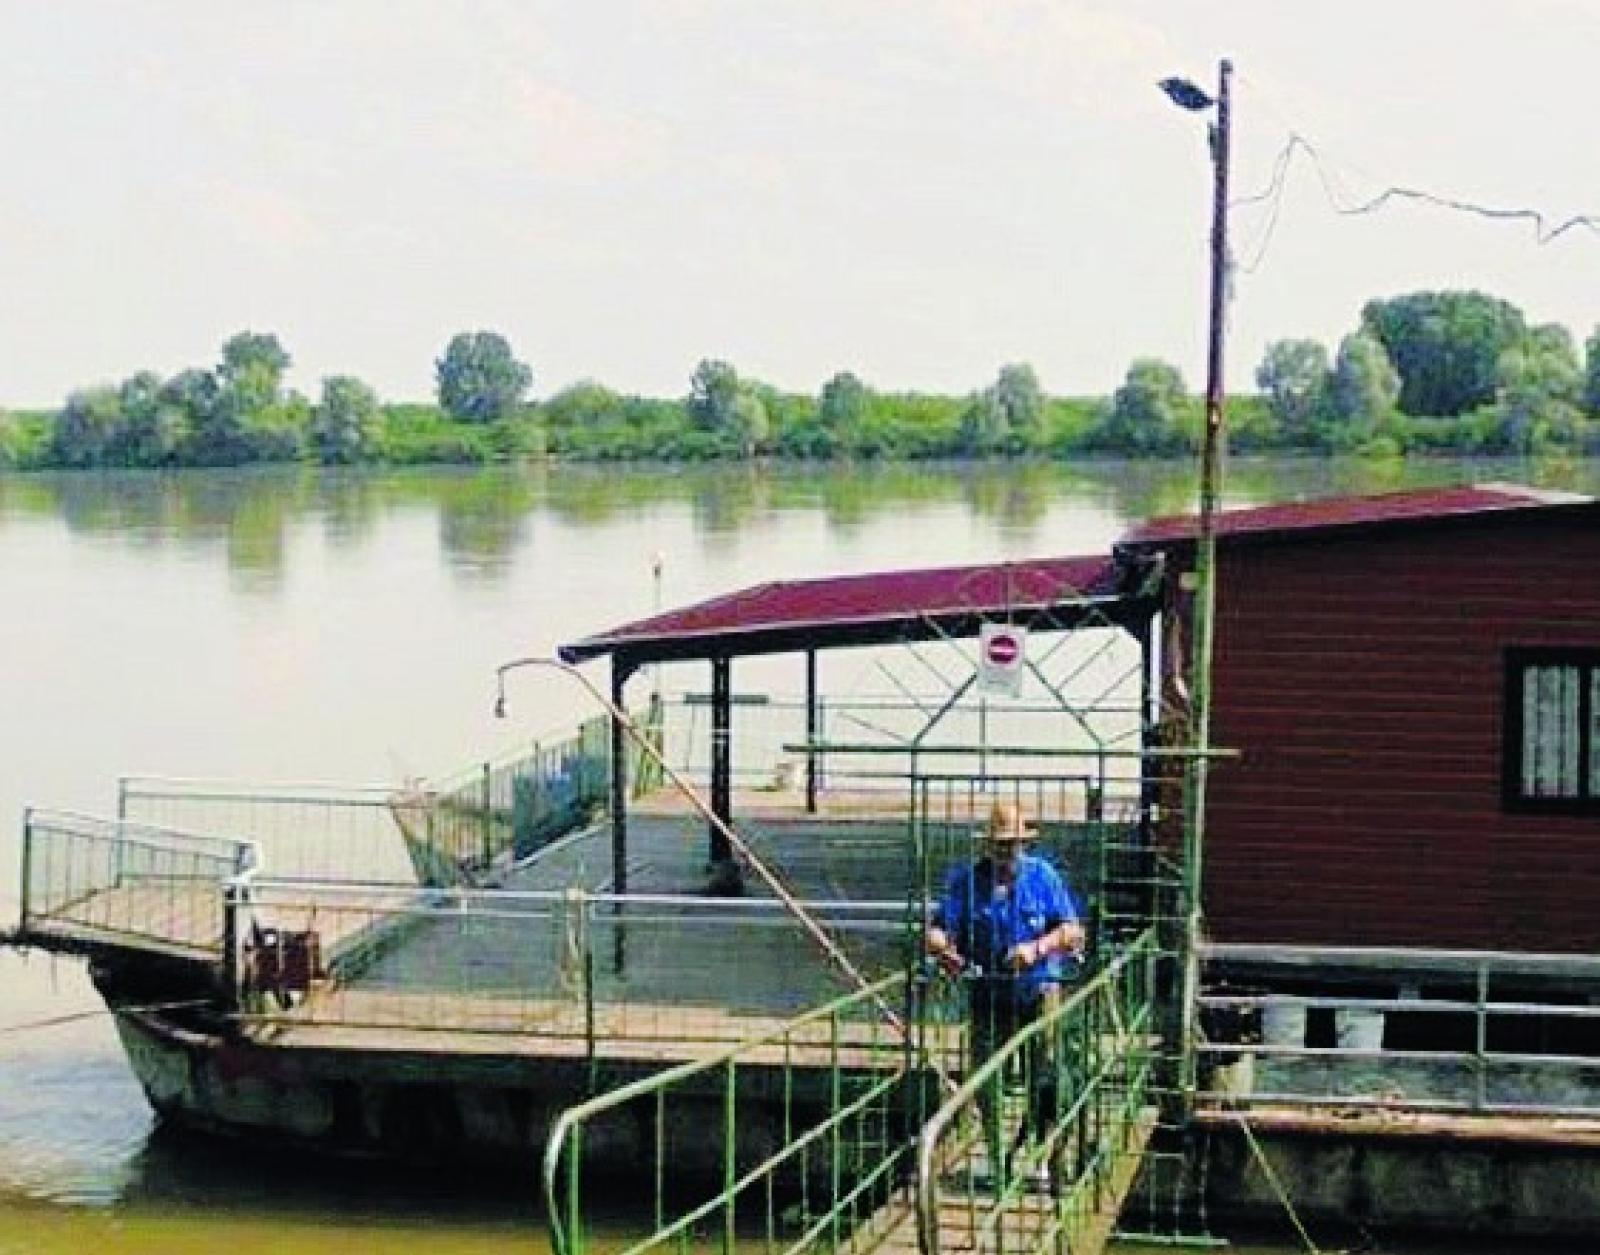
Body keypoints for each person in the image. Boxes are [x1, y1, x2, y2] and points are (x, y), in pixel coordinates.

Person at [925, 800, 1085, 1176]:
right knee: (984, 1075)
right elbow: (937, 929)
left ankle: (1044, 1153)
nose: (1005, 853)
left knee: (1044, 1073)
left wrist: (1037, 948)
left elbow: (1073, 930)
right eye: (999, 845)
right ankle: (998, 1157)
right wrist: (942, 950)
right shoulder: (966, 882)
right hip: (987, 992)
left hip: (1038, 989)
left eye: (1012, 844)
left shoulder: (1042, 876)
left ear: (1023, 844)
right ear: (987, 846)